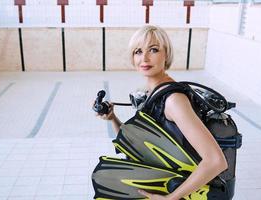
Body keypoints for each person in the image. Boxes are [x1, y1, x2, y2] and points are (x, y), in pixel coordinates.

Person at [96, 25, 228, 200]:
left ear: (167, 54)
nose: (144, 58)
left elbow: (215, 161)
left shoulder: (173, 100)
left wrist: (171, 198)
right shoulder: (153, 93)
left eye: (153, 50)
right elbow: (142, 148)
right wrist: (113, 119)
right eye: (138, 51)